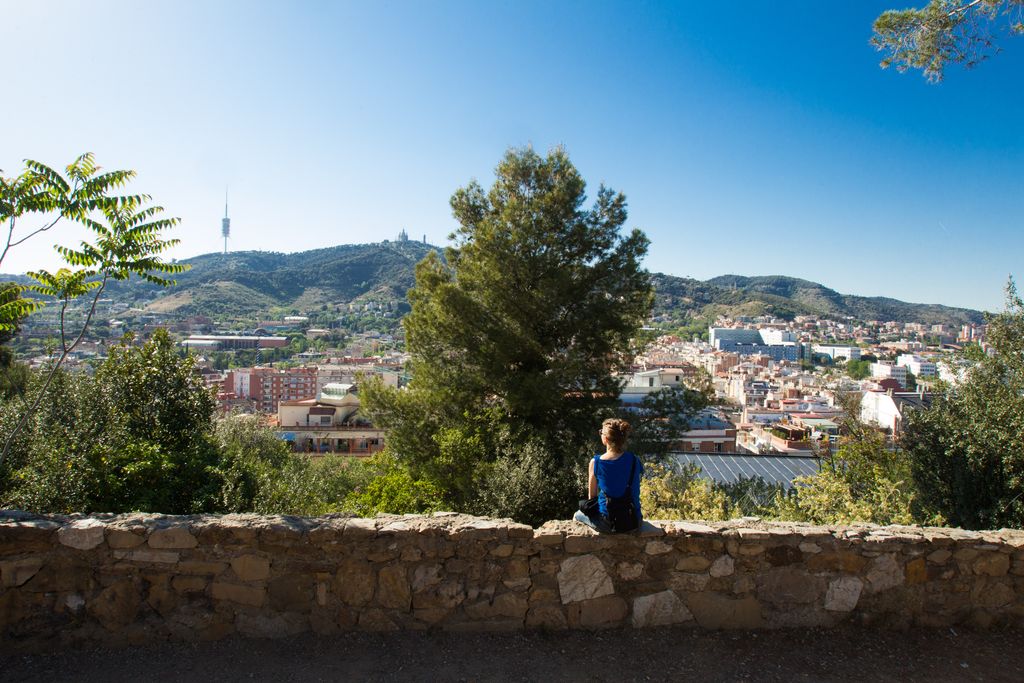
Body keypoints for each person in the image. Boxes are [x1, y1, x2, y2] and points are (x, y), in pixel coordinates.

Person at [573, 418, 643, 533]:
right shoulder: (634, 460)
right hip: (634, 521)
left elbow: (592, 498)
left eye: (601, 432)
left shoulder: (596, 462)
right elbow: (634, 489)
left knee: (577, 515)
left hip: (607, 523)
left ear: (605, 439)